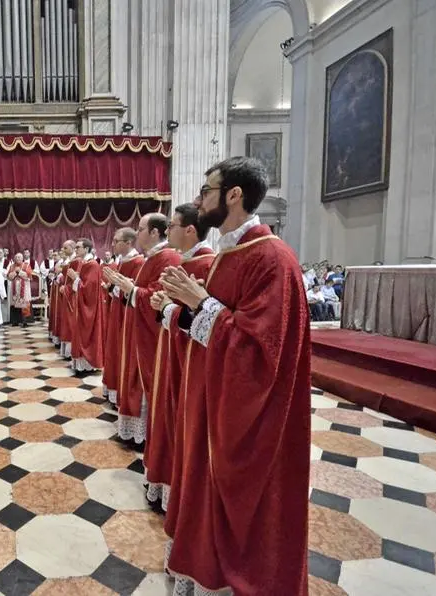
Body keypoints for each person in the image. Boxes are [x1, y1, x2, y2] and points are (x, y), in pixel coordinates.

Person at [159, 156, 311, 595]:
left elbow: (262, 351)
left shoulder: (272, 259)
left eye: (205, 191)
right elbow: (215, 330)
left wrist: (201, 304)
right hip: (211, 405)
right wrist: (185, 308)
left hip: (245, 420)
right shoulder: (231, 254)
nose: (197, 201)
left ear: (234, 195)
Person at [144, 204, 214, 511]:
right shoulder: (186, 261)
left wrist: (169, 310)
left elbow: (202, 319)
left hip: (188, 358)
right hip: (171, 347)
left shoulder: (205, 264)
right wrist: (164, 306)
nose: (168, 230)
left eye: (172, 226)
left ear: (189, 230)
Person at [106, 213, 180, 446]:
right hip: (137, 326)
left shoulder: (167, 257)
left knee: (145, 378)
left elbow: (158, 294)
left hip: (151, 332)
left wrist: (132, 289)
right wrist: (124, 288)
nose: (137, 233)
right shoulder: (152, 257)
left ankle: (143, 434)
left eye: (140, 229)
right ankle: (135, 429)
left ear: (155, 232)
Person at [101, 228, 142, 406]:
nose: (112, 244)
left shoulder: (138, 262)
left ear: (128, 243)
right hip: (118, 311)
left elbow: (134, 290)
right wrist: (112, 286)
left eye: (116, 241)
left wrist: (119, 287)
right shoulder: (123, 261)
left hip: (128, 314)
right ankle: (115, 390)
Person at [67, 239, 105, 374]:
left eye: (78, 247)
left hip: (89, 306)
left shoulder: (93, 265)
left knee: (86, 332)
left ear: (87, 249)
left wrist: (74, 278)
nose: (75, 249)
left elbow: (89, 289)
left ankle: (87, 364)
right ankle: (80, 363)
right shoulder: (84, 263)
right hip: (81, 305)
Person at [7, 253, 33, 327]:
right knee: (14, 303)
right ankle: (15, 321)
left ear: (22, 258)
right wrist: (15, 272)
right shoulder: (12, 266)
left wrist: (19, 272)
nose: (18, 258)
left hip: (24, 288)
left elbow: (29, 275)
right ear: (14, 259)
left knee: (24, 303)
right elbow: (9, 276)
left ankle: (25, 321)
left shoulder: (26, 265)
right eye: (16, 257)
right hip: (14, 288)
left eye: (19, 257)